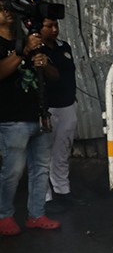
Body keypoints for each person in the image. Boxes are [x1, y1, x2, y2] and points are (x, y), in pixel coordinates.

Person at [0, 1, 62, 235]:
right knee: (12, 171)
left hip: (39, 116)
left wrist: (44, 64)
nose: (6, 11)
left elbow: (55, 76)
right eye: (0, 9)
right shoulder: (19, 44)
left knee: (40, 170)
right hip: (11, 119)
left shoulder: (32, 40)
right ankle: (4, 216)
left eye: (7, 8)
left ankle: (36, 215)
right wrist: (24, 51)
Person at [40, 17, 86, 208]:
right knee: (42, 154)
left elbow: (68, 73)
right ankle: (44, 198)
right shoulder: (34, 50)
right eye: (48, 26)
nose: (54, 29)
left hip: (66, 105)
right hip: (46, 108)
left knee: (62, 151)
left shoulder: (63, 46)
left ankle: (62, 190)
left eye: (56, 25)